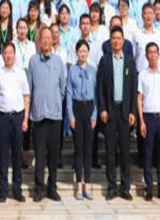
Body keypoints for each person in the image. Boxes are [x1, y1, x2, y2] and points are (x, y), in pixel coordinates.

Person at [97, 25, 137, 200]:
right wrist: (103, 108)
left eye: (119, 38)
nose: (116, 41)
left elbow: (134, 88)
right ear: (110, 40)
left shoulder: (129, 61)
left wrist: (133, 111)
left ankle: (125, 187)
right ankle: (112, 187)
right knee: (110, 151)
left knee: (125, 152)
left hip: (125, 111)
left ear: (123, 40)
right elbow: (100, 87)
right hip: (110, 111)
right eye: (113, 38)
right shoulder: (105, 60)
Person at [28, 26, 66, 202]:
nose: (45, 41)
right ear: (39, 41)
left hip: (55, 116)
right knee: (40, 155)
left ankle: (52, 187)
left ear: (53, 40)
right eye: (43, 38)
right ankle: (38, 188)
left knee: (53, 155)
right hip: (38, 115)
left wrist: (55, 101)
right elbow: (30, 88)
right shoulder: (33, 61)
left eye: (48, 38)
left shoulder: (58, 61)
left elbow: (63, 88)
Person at [0, 42, 29, 203]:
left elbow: (26, 96)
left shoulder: (20, 73)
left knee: (17, 155)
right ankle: (3, 191)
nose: (8, 56)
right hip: (2, 117)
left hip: (18, 117)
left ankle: (17, 190)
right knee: (3, 155)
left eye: (10, 53)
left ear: (14, 55)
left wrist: (25, 118)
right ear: (2, 55)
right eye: (5, 53)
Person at [137, 42, 160, 201]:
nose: (152, 55)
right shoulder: (142, 75)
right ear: (146, 56)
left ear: (159, 55)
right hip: (148, 117)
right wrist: (141, 121)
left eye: (155, 52)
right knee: (148, 154)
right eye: (149, 52)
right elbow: (139, 99)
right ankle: (149, 188)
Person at [67, 39, 97, 201]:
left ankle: (88, 185)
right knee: (78, 148)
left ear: (88, 53)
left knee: (88, 149)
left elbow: (97, 95)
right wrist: (71, 115)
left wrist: (95, 115)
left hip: (89, 108)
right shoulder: (72, 70)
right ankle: (79, 184)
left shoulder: (93, 70)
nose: (82, 54)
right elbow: (69, 94)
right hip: (77, 108)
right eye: (80, 51)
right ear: (76, 53)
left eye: (85, 51)